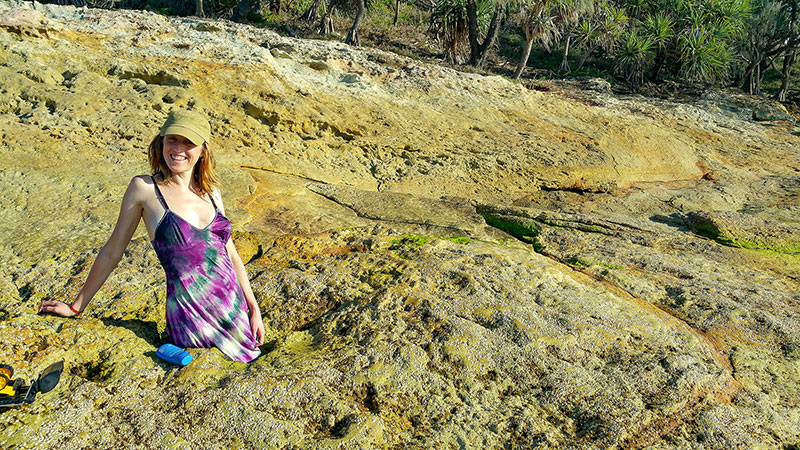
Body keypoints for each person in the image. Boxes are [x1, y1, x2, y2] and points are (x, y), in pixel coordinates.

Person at [38, 110, 265, 363]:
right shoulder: (145, 189)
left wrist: (253, 309)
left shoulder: (212, 193)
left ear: (202, 150)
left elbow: (230, 255)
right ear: (161, 142)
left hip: (234, 314)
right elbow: (113, 251)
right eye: (172, 139)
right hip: (191, 317)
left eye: (188, 142)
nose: (178, 148)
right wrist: (75, 306)